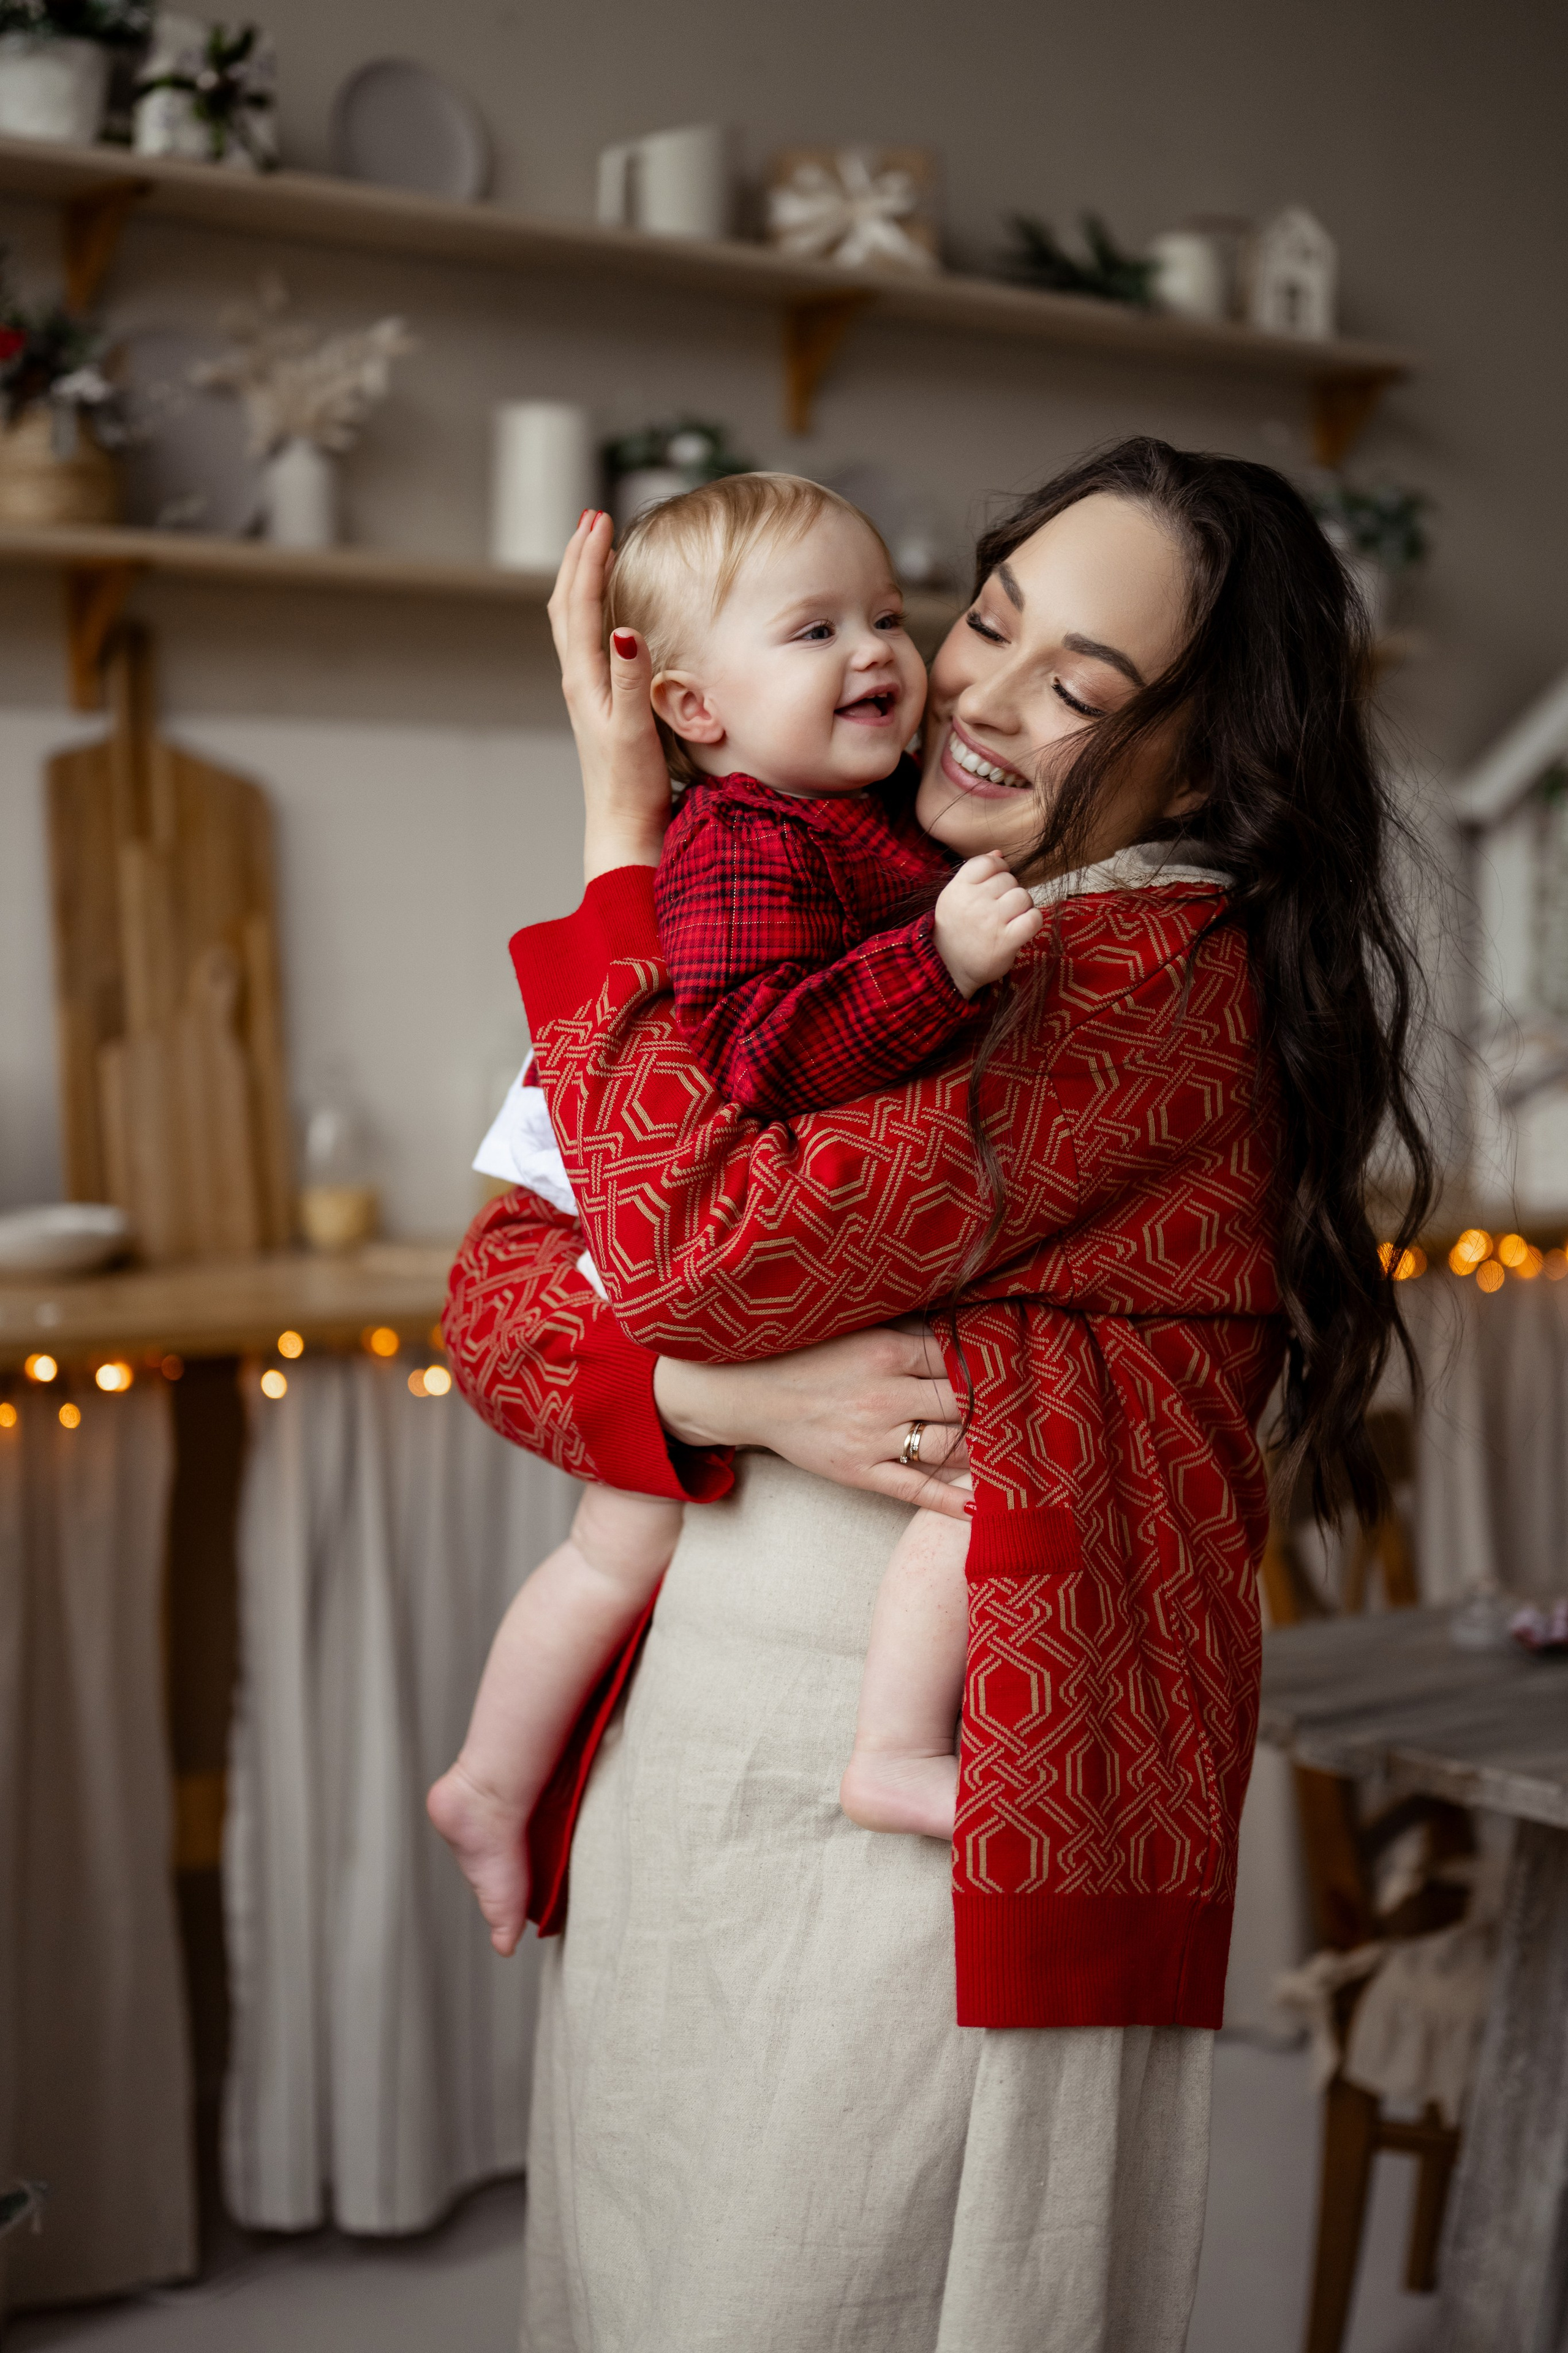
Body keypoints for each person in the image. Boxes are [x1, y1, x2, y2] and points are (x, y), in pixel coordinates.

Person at [444, 439, 1433, 2352]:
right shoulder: (809, 887)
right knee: (653, 2277)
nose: (971, 690)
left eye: (1073, 685)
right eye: (982, 614)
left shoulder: (1141, 974)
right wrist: (737, 1408)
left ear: (1215, 758)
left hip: (956, 1808)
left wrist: (611, 825)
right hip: (705, 1759)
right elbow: (493, 1298)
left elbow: (671, 1246)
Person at [429, 474, 1047, 1955]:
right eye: (814, 627)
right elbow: (744, 1066)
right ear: (691, 708)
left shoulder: (868, 826)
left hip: (756, 1352)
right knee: (613, 1548)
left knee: (613, 1548)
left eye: (890, 614)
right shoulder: (755, 844)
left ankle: (489, 1779)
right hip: (680, 1294)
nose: (880, 652)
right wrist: (943, 963)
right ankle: (493, 1778)